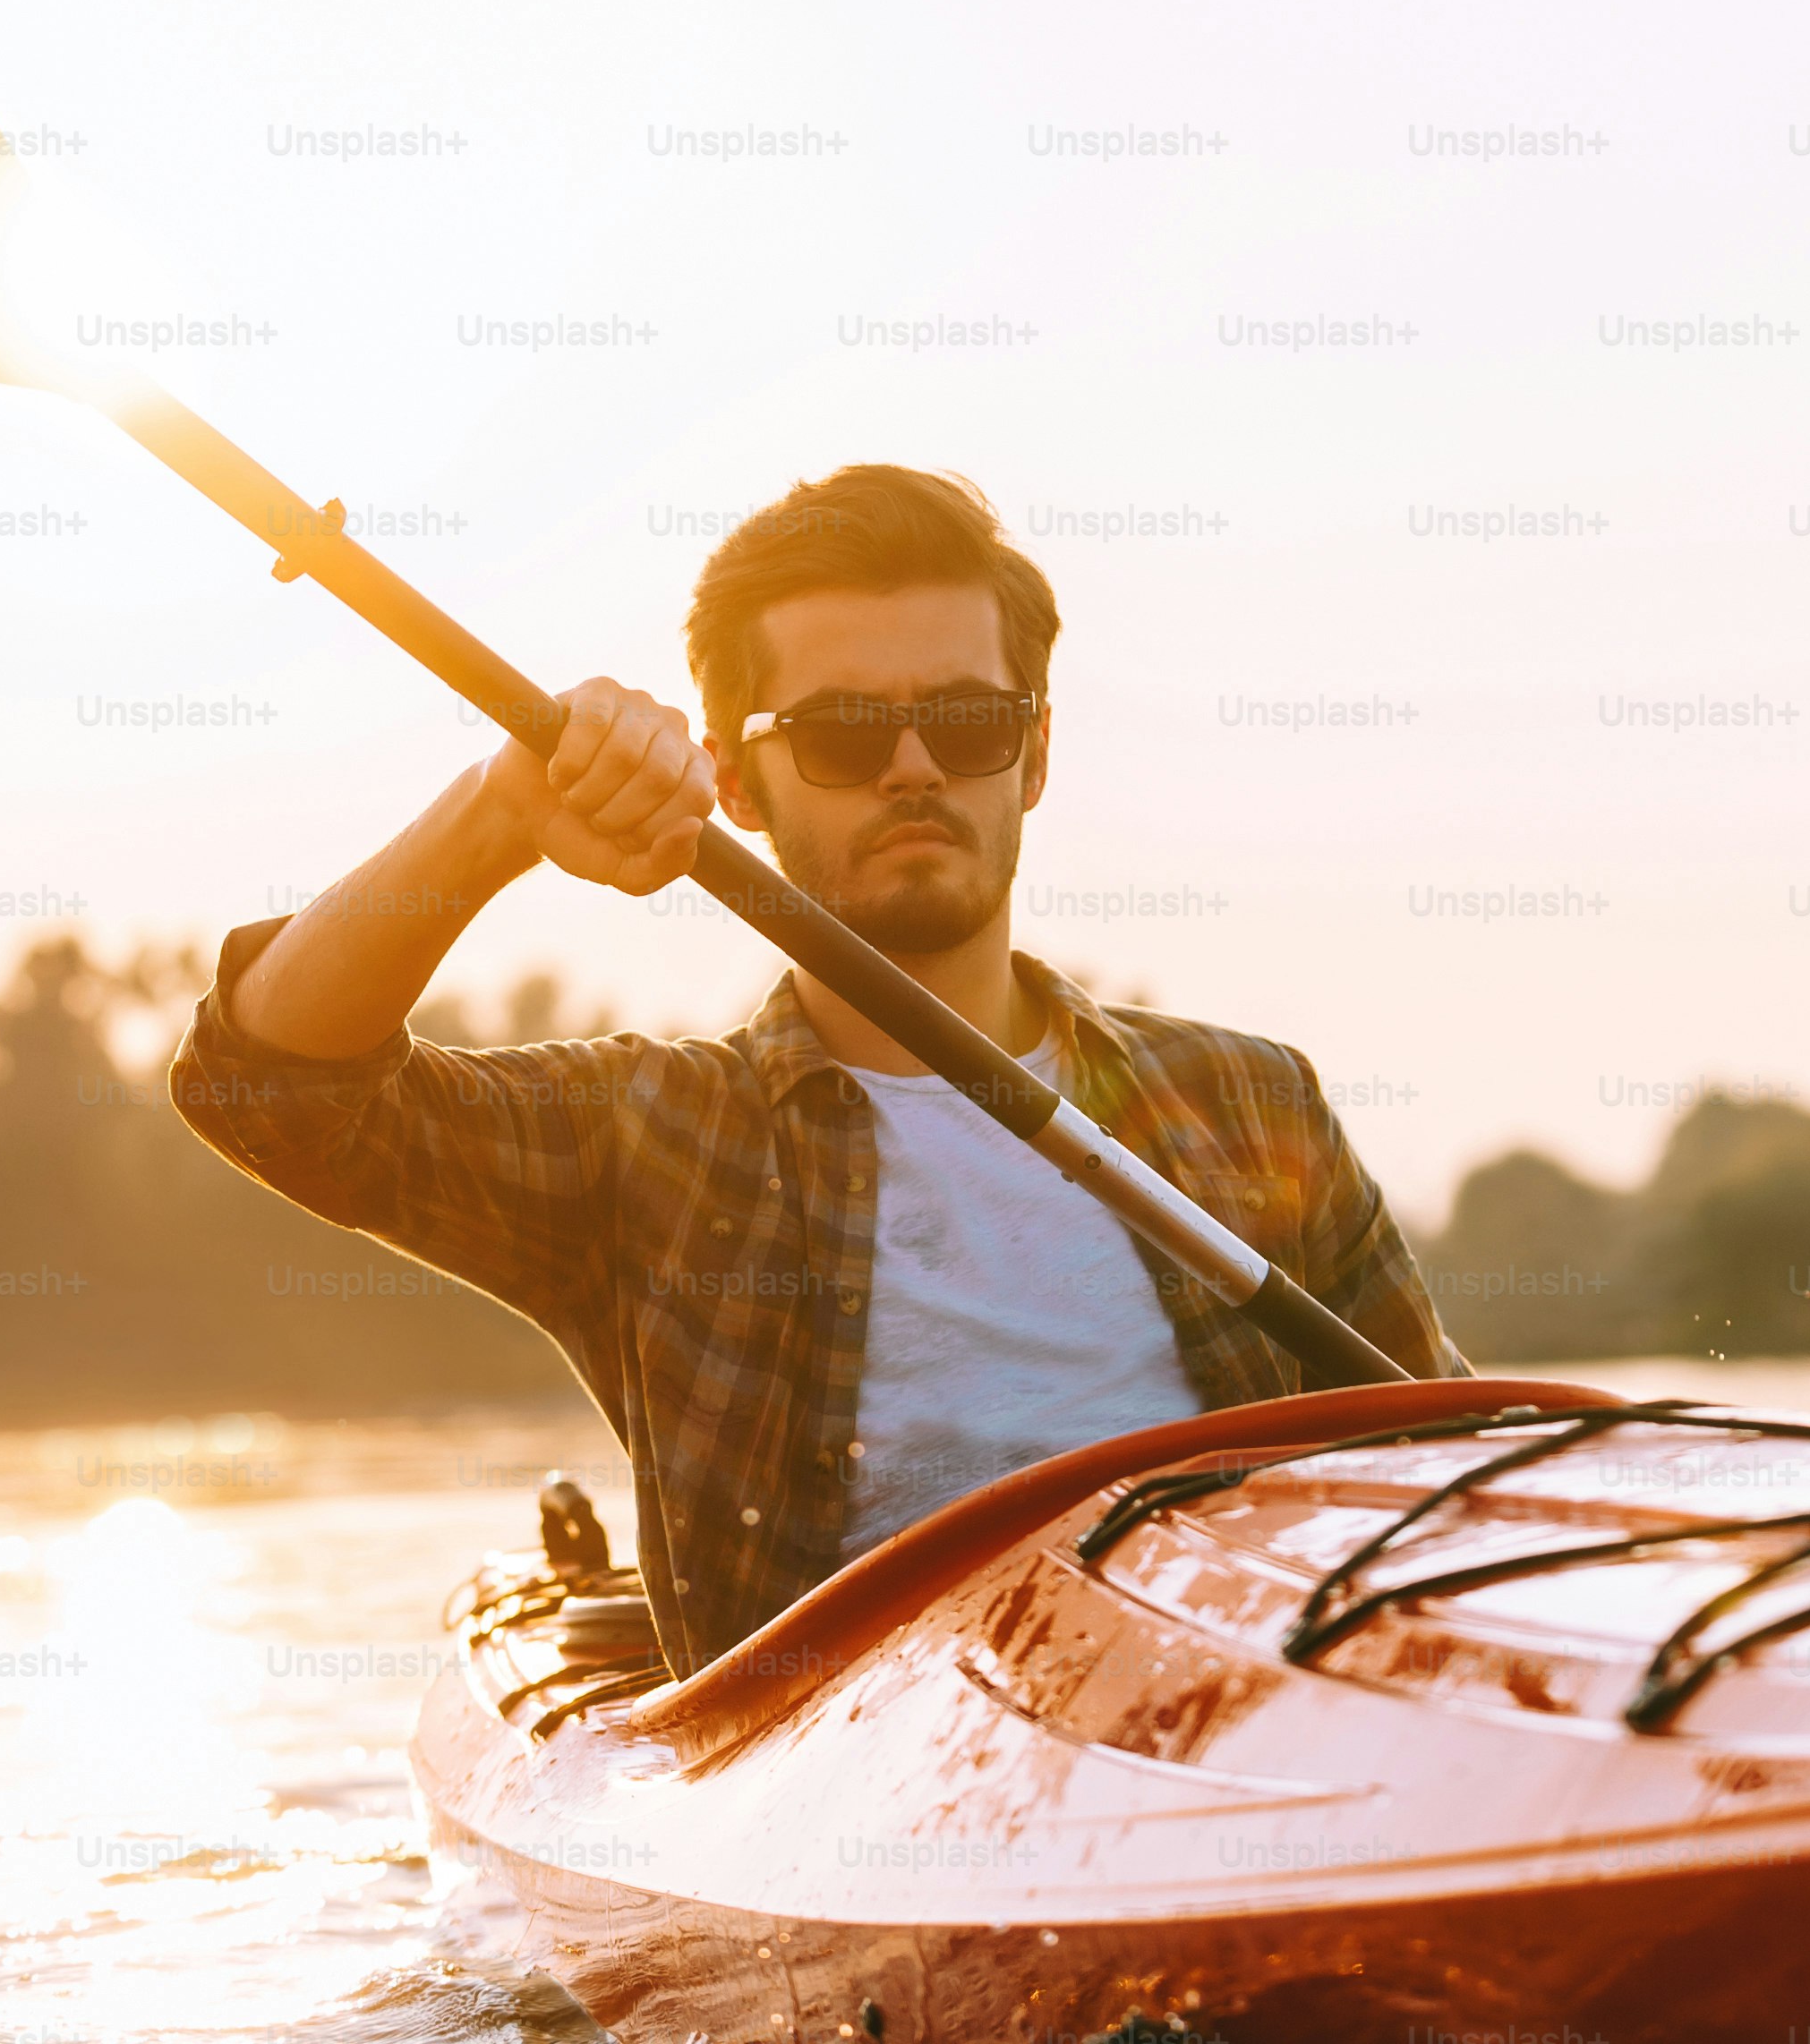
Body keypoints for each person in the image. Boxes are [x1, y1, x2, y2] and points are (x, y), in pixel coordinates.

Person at [170, 464, 1462, 1669]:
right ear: (734, 776)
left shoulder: (1249, 1098)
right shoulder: (648, 1136)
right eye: (844, 735)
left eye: (966, 722)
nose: (912, 769)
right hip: (860, 1799)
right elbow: (269, 1088)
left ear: (1039, 751)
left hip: (1253, 1705)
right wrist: (501, 813)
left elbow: (1454, 1461)